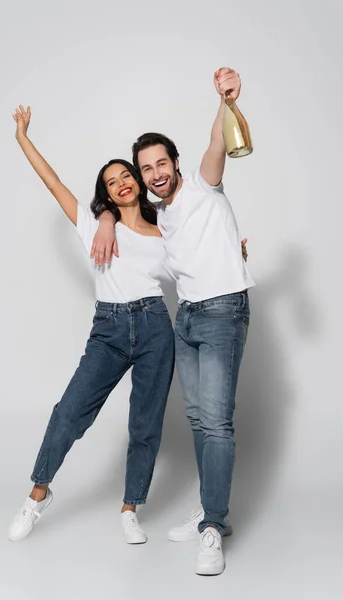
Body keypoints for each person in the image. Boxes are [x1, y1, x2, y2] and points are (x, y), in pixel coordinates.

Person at [91, 67, 255, 575]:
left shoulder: (204, 184)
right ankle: (212, 513)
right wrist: (101, 216)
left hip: (224, 310)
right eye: (147, 168)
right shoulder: (159, 217)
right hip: (185, 317)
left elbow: (217, 144)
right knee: (199, 421)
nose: (156, 172)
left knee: (218, 421)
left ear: (176, 162)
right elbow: (125, 222)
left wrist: (226, 101)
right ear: (140, 178)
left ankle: (212, 528)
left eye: (163, 162)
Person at [7, 105, 175, 545]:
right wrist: (23, 136)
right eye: (111, 182)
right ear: (107, 193)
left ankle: (130, 507)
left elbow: (198, 268)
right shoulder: (94, 224)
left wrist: (238, 254)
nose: (121, 183)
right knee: (69, 413)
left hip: (157, 327)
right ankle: (37, 495)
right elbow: (53, 183)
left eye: (126, 175)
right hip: (110, 330)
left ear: (138, 182)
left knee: (145, 423)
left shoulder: (167, 232)